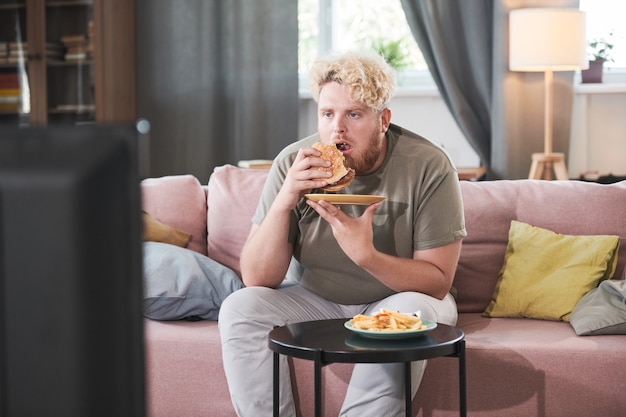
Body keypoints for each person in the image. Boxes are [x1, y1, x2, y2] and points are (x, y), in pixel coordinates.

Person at [219, 51, 466, 417]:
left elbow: (437, 282)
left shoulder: (428, 166)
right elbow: (257, 278)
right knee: (239, 308)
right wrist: (285, 200)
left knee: (406, 313)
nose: (338, 128)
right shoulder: (294, 163)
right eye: (327, 114)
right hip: (317, 299)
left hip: (400, 299)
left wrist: (367, 255)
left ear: (383, 120)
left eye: (353, 114)